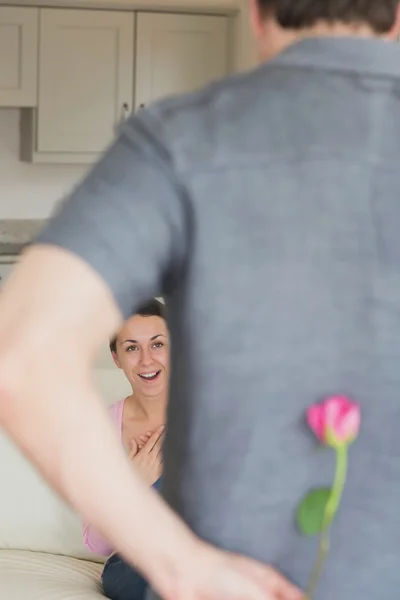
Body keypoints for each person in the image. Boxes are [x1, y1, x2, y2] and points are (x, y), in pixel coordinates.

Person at [1, 1, 400, 599]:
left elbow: (23, 354)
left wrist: (179, 564)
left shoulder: (179, 140)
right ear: (396, 17)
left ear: (256, 14)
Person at [83, 299, 168, 600]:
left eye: (157, 345)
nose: (146, 360)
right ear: (117, 358)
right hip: (135, 566)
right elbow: (95, 542)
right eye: (132, 347)